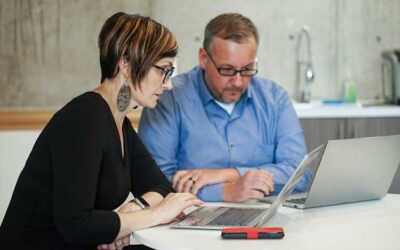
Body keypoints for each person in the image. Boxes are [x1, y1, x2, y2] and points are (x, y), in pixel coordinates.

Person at [0, 12, 202, 250]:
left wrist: (131, 212)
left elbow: (160, 187)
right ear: (126, 64)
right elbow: (77, 225)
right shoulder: (84, 118)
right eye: (163, 70)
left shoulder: (119, 121)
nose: (168, 84)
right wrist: (155, 215)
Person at [138, 13, 310, 203]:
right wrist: (226, 192)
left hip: (267, 218)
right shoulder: (168, 98)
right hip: (190, 220)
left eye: (247, 69)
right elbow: (153, 182)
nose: (237, 81)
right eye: (227, 70)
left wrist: (228, 174)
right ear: (203, 58)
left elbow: (301, 174)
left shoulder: (275, 99)